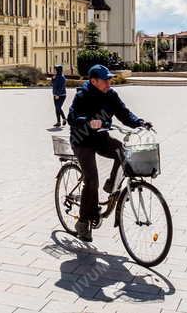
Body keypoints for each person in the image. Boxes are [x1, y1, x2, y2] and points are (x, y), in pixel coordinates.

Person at [68, 64, 151, 242]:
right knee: (92, 181)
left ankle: (112, 184)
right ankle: (82, 223)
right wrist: (88, 121)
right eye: (105, 80)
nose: (109, 82)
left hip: (99, 137)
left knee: (122, 150)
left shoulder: (111, 95)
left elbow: (124, 113)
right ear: (93, 81)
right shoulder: (83, 95)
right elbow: (72, 117)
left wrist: (140, 123)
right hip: (81, 141)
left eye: (109, 79)